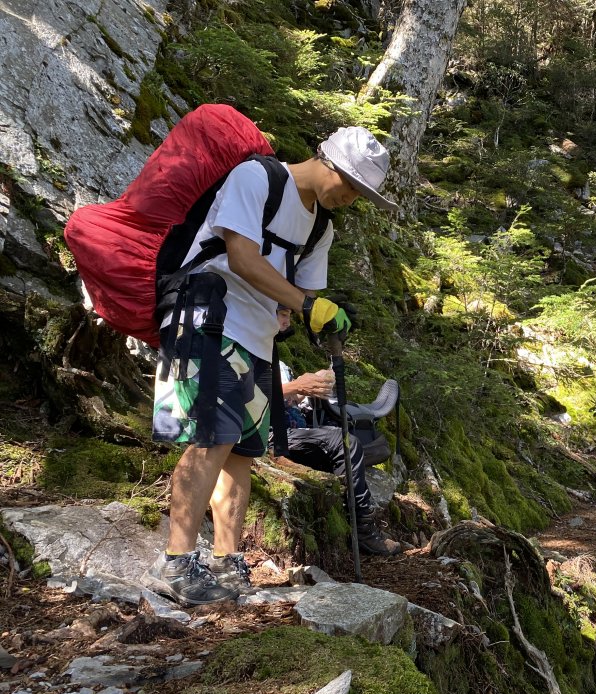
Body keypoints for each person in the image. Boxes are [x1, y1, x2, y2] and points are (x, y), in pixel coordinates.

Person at [143, 126, 398, 606]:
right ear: (328, 162)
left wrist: (307, 316)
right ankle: (174, 562)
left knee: (242, 450)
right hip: (207, 318)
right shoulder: (257, 178)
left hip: (258, 339)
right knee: (210, 437)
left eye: (360, 194)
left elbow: (295, 294)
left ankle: (226, 560)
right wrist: (305, 305)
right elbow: (240, 256)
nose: (350, 198)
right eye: (350, 185)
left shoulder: (321, 228)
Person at [275, 308, 402, 557]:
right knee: (344, 442)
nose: (287, 320)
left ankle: (357, 515)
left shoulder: (272, 358)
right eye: (281, 314)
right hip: (270, 434)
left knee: (342, 436)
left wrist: (310, 388)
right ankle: (363, 527)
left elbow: (285, 397)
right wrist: (297, 386)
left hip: (291, 428)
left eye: (289, 314)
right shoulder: (248, 353)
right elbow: (248, 397)